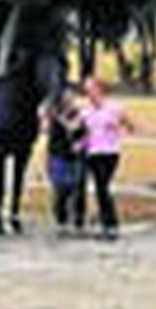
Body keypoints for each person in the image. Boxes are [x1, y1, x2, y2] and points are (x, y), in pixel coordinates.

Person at [80, 75, 135, 240]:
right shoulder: (85, 111)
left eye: (91, 89)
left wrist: (117, 129)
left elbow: (130, 127)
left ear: (100, 90)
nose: (89, 93)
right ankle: (107, 223)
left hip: (109, 152)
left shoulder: (114, 108)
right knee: (99, 188)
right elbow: (82, 131)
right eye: (86, 90)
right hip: (92, 152)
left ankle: (111, 224)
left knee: (103, 187)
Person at [40, 83, 87, 234]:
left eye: (72, 96)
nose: (70, 98)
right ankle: (61, 220)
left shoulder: (78, 114)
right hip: (58, 155)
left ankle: (78, 220)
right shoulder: (53, 114)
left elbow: (84, 133)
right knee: (60, 190)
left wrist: (80, 143)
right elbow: (45, 129)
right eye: (67, 96)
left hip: (75, 156)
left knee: (78, 189)